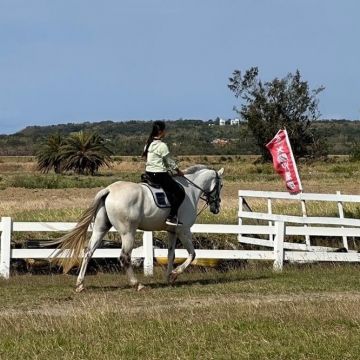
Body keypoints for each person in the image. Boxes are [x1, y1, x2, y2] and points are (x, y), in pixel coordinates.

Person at [142, 120, 185, 226]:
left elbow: (150, 159)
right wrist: (179, 171)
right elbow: (169, 161)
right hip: (159, 174)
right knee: (180, 193)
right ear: (161, 131)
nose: (165, 132)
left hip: (149, 173)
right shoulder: (162, 146)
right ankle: (171, 217)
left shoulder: (148, 143)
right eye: (165, 130)